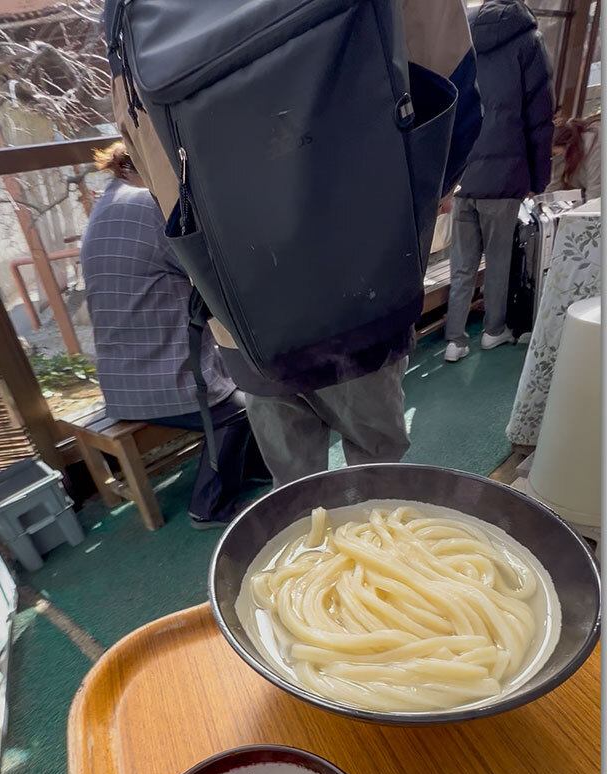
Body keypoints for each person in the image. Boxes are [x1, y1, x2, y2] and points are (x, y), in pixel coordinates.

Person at [104, 0, 483, 484]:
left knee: (297, 490)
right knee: (379, 468)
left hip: (243, 318)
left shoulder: (130, 15)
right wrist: (425, 200)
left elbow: (153, 172)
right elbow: (453, 92)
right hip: (364, 283)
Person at [80, 143, 270, 528]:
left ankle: (249, 471)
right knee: (243, 406)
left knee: (236, 391)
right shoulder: (149, 205)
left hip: (120, 379)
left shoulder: (105, 206)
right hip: (159, 381)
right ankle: (209, 506)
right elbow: (208, 268)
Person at [444, 0, 554, 363]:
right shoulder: (528, 40)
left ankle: (454, 341)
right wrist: (539, 178)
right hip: (505, 178)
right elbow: (539, 117)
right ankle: (493, 331)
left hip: (463, 176)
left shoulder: (464, 36)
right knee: (497, 260)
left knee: (461, 267)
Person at [550, 113, 601, 202]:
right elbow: (553, 184)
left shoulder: (596, 146)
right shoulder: (568, 149)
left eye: (554, 155)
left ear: (569, 145)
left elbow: (595, 194)